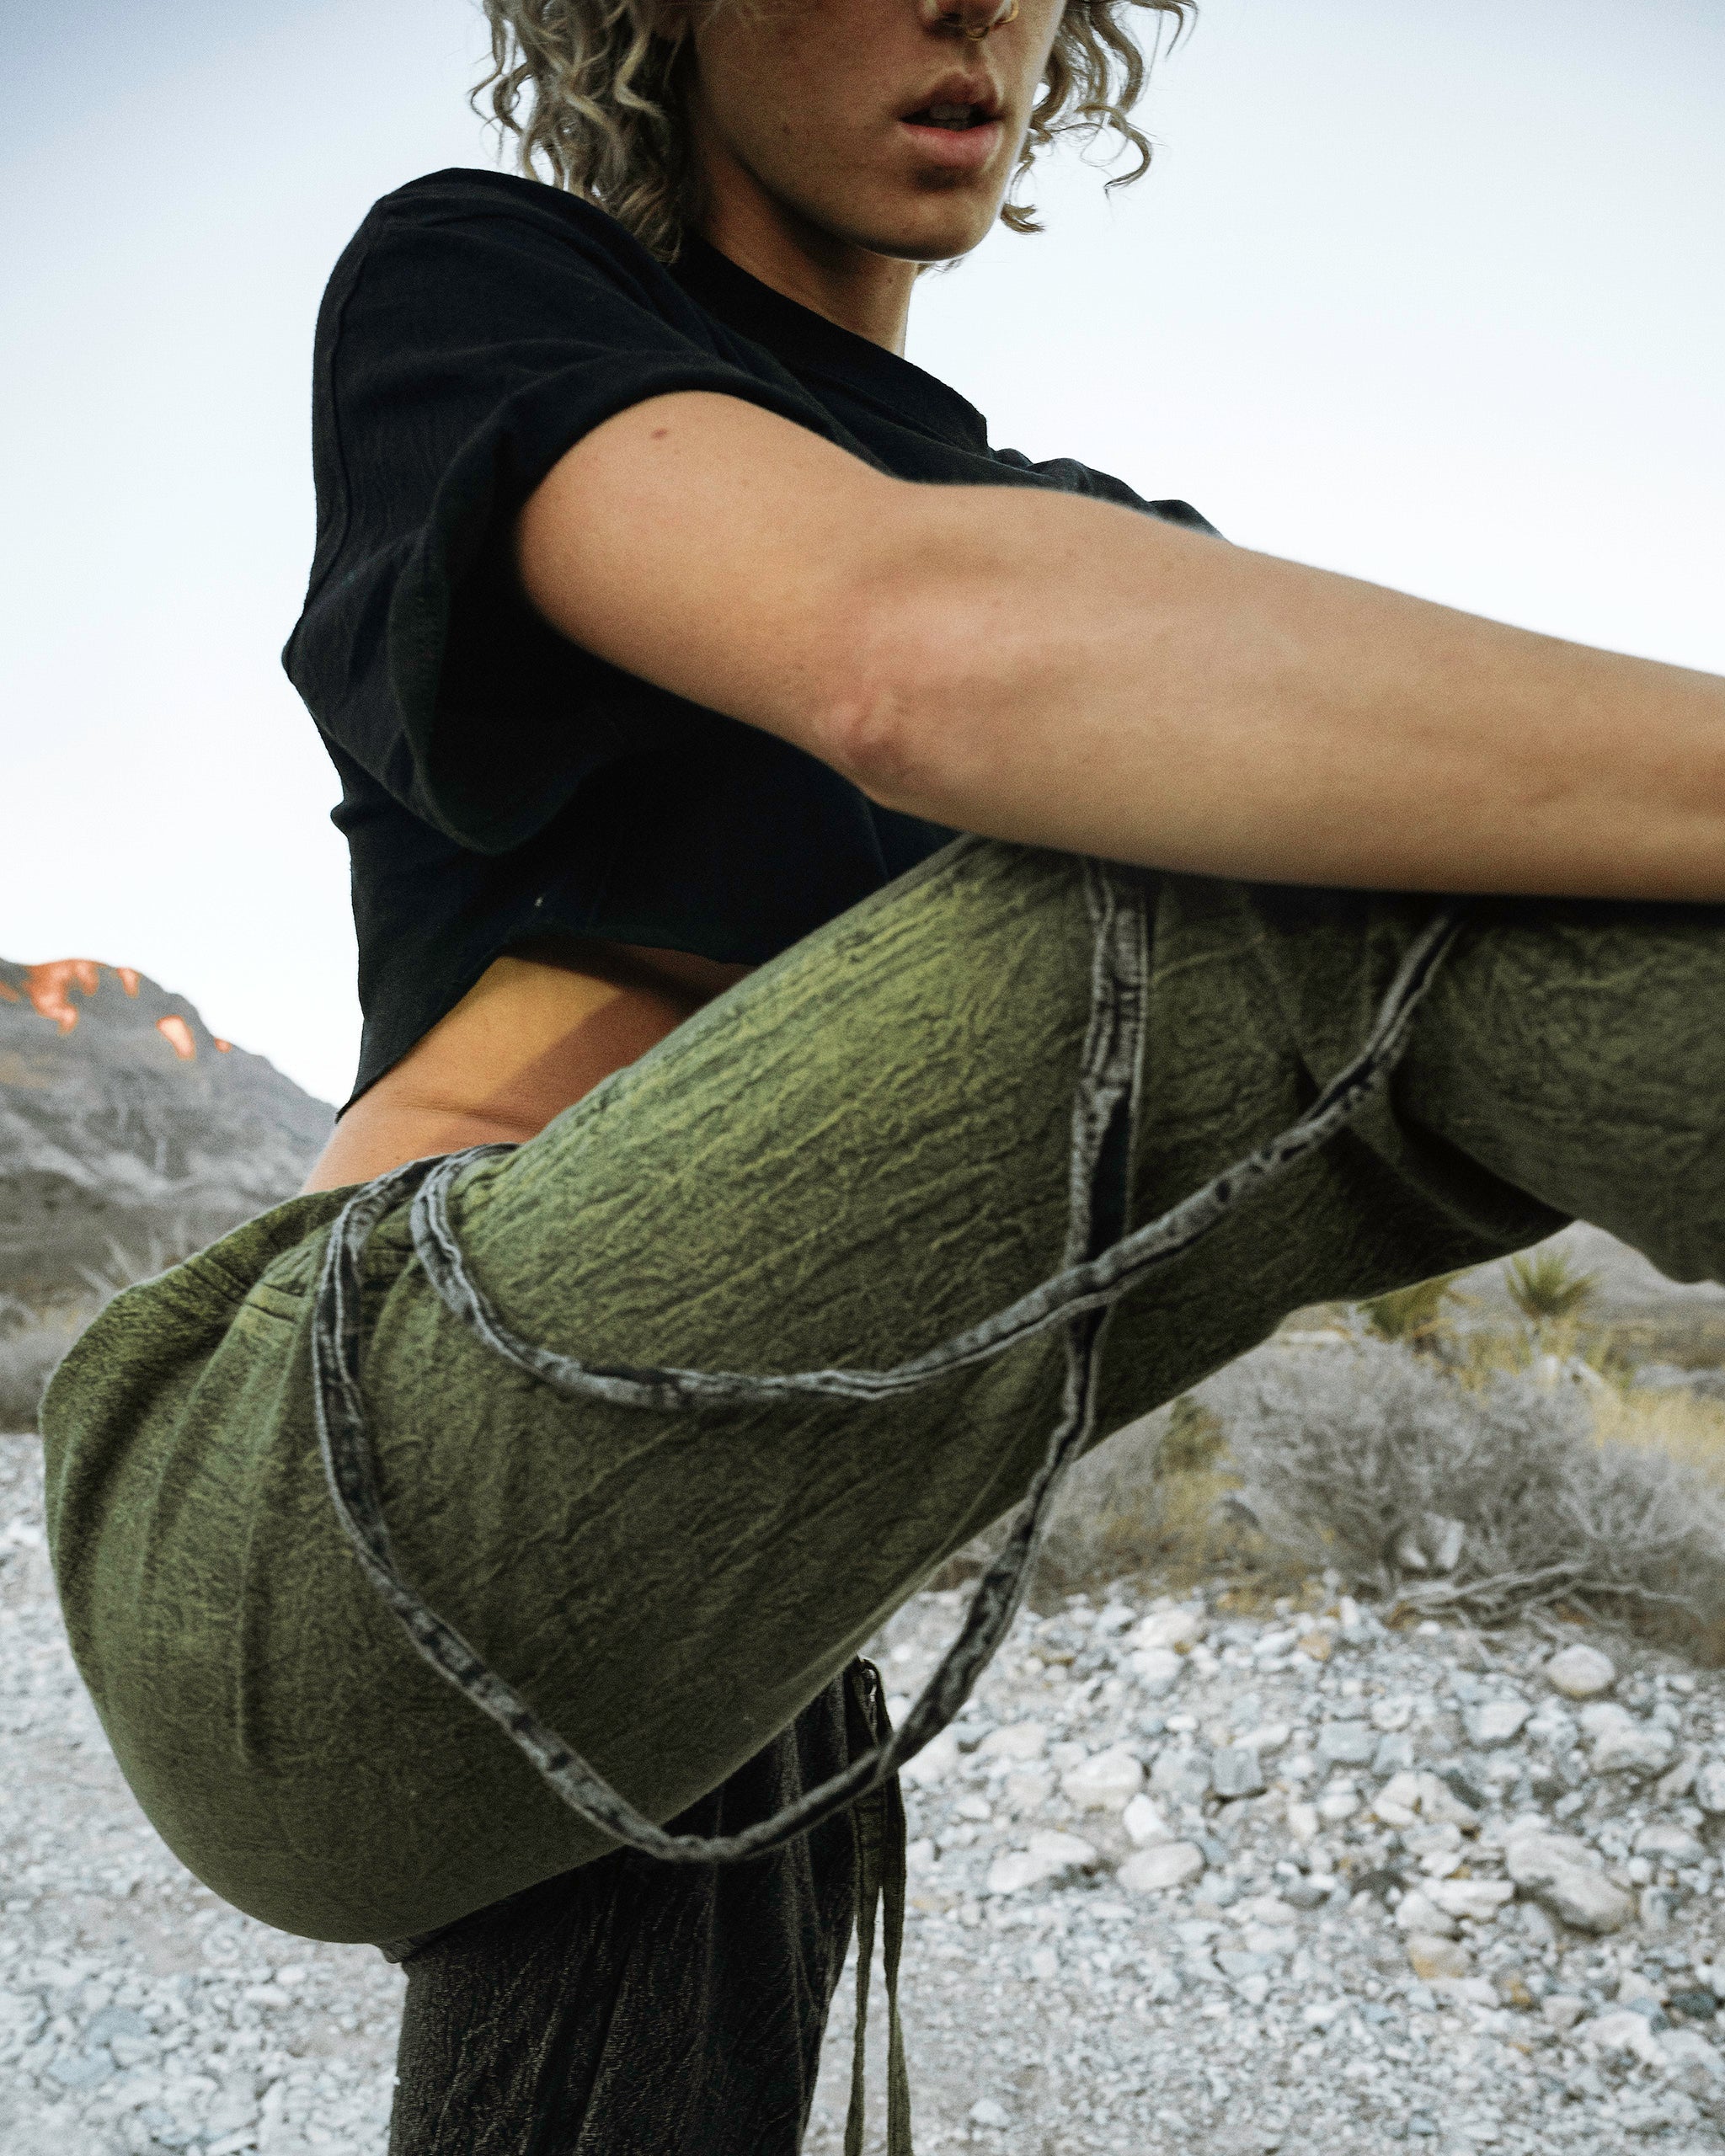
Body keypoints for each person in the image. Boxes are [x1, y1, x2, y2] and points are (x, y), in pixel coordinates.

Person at [40, 0, 1725, 2148]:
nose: (972, 9)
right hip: (317, 1498)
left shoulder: (1084, 546)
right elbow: (904, 654)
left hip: (723, 1562)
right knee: (1320, 897)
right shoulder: (485, 293)